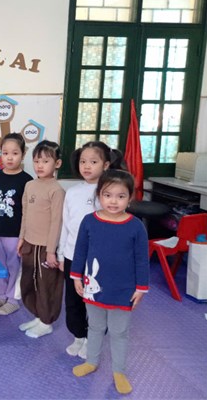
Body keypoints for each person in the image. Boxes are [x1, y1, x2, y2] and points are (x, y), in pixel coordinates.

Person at [70, 169, 149, 395]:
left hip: (124, 289)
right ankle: (91, 361)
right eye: (108, 195)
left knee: (119, 332)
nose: (113, 201)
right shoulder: (89, 221)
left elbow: (142, 259)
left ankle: (119, 372)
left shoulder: (136, 226)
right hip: (93, 285)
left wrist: (141, 288)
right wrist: (76, 276)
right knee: (95, 326)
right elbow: (80, 251)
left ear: (130, 197)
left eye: (120, 196)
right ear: (99, 195)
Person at [57, 141, 122, 359]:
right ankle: (79, 336)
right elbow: (66, 225)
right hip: (72, 256)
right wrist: (61, 253)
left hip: (97, 259)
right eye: (83, 161)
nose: (86, 166)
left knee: (94, 302)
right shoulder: (72, 192)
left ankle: (92, 339)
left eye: (93, 162)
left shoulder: (109, 194)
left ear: (106, 165)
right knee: (73, 301)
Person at [18, 140, 65, 338]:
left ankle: (46, 322)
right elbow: (25, 214)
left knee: (47, 285)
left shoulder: (56, 190)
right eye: (36, 161)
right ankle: (38, 316)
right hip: (30, 243)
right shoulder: (29, 185)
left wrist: (51, 250)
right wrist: (21, 238)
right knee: (29, 282)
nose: (40, 165)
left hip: (46, 247)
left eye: (45, 161)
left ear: (57, 163)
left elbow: (57, 222)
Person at [0, 133, 33, 316]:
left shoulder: (27, 181)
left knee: (14, 266)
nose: (9, 157)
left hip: (15, 234)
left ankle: (13, 299)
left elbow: (29, 210)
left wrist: (24, 234)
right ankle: (2, 295)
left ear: (23, 154)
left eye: (15, 153)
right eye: (5, 153)